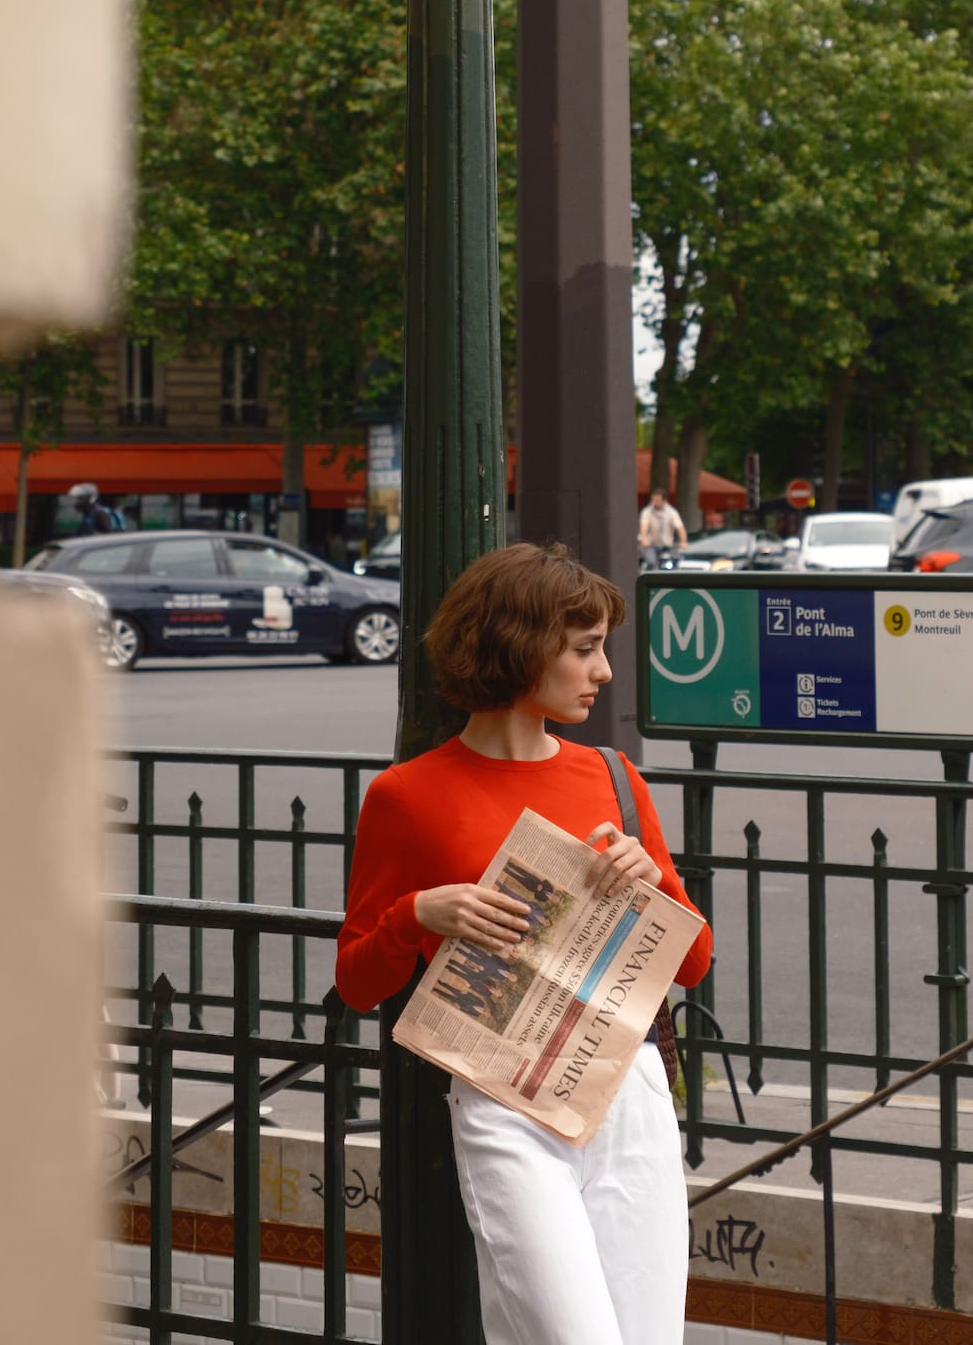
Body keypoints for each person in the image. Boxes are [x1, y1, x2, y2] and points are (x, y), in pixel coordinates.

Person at [336, 542, 712, 1345]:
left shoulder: (612, 777)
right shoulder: (406, 797)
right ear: (519, 644)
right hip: (504, 1098)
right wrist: (415, 915)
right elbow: (358, 982)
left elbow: (693, 962)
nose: (603, 671)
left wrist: (656, 885)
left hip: (626, 1086)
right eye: (583, 649)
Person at [637, 489, 686, 568]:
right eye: (653, 500)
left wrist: (683, 541)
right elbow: (644, 526)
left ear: (664, 500)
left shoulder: (671, 512)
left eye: (657, 500)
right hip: (651, 545)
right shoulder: (647, 511)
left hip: (666, 545)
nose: (655, 502)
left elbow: (680, 528)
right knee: (651, 561)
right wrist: (644, 538)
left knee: (672, 562)